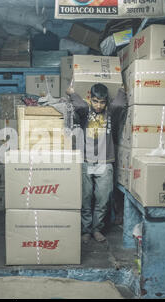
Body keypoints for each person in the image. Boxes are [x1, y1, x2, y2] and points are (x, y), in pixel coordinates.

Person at [67, 83, 127, 243]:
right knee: (85, 198)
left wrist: (121, 89)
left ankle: (96, 229)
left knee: (103, 198)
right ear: (90, 99)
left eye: (102, 102)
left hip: (105, 162)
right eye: (95, 101)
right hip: (86, 161)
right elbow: (78, 104)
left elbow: (120, 103)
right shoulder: (85, 113)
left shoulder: (110, 113)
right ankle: (86, 230)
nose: (98, 105)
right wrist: (72, 92)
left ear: (106, 101)